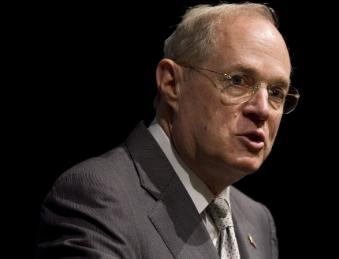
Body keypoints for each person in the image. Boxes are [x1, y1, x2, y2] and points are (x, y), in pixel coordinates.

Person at [35, 2, 300, 259]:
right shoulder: (97, 197)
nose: (263, 109)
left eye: (276, 92)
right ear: (172, 83)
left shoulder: (258, 220)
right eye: (238, 81)